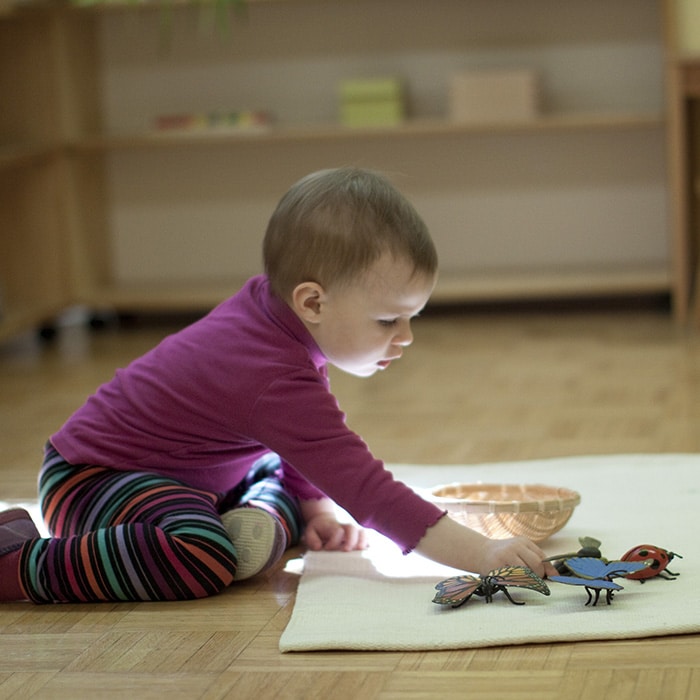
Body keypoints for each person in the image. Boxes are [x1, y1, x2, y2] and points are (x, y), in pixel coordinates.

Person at [0, 167, 554, 604]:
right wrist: (483, 553)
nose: (405, 337)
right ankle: (17, 563)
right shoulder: (265, 371)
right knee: (200, 555)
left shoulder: (276, 312)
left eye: (412, 318)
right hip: (96, 482)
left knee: (280, 475)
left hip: (195, 474)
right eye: (388, 320)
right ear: (312, 301)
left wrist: (313, 506)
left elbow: (297, 442)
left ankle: (256, 519)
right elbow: (366, 490)